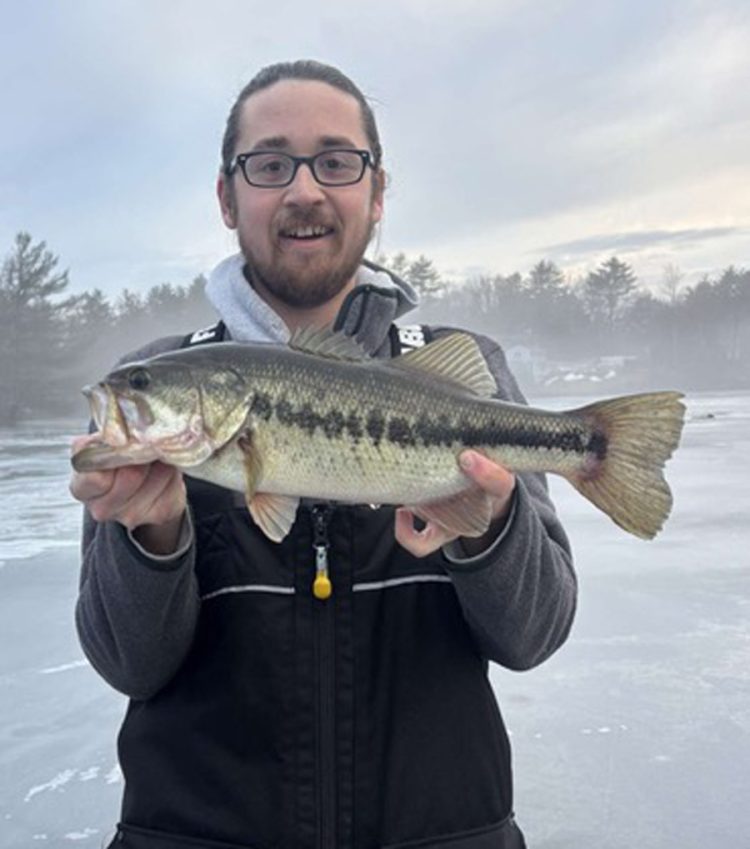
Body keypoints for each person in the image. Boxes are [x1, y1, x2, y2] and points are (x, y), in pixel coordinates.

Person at [70, 60, 576, 849]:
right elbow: (128, 665)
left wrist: (490, 530)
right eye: (270, 164)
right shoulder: (161, 379)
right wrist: (152, 537)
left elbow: (533, 635)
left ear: (377, 193)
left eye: (336, 162)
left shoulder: (462, 369)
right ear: (227, 197)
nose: (304, 190)